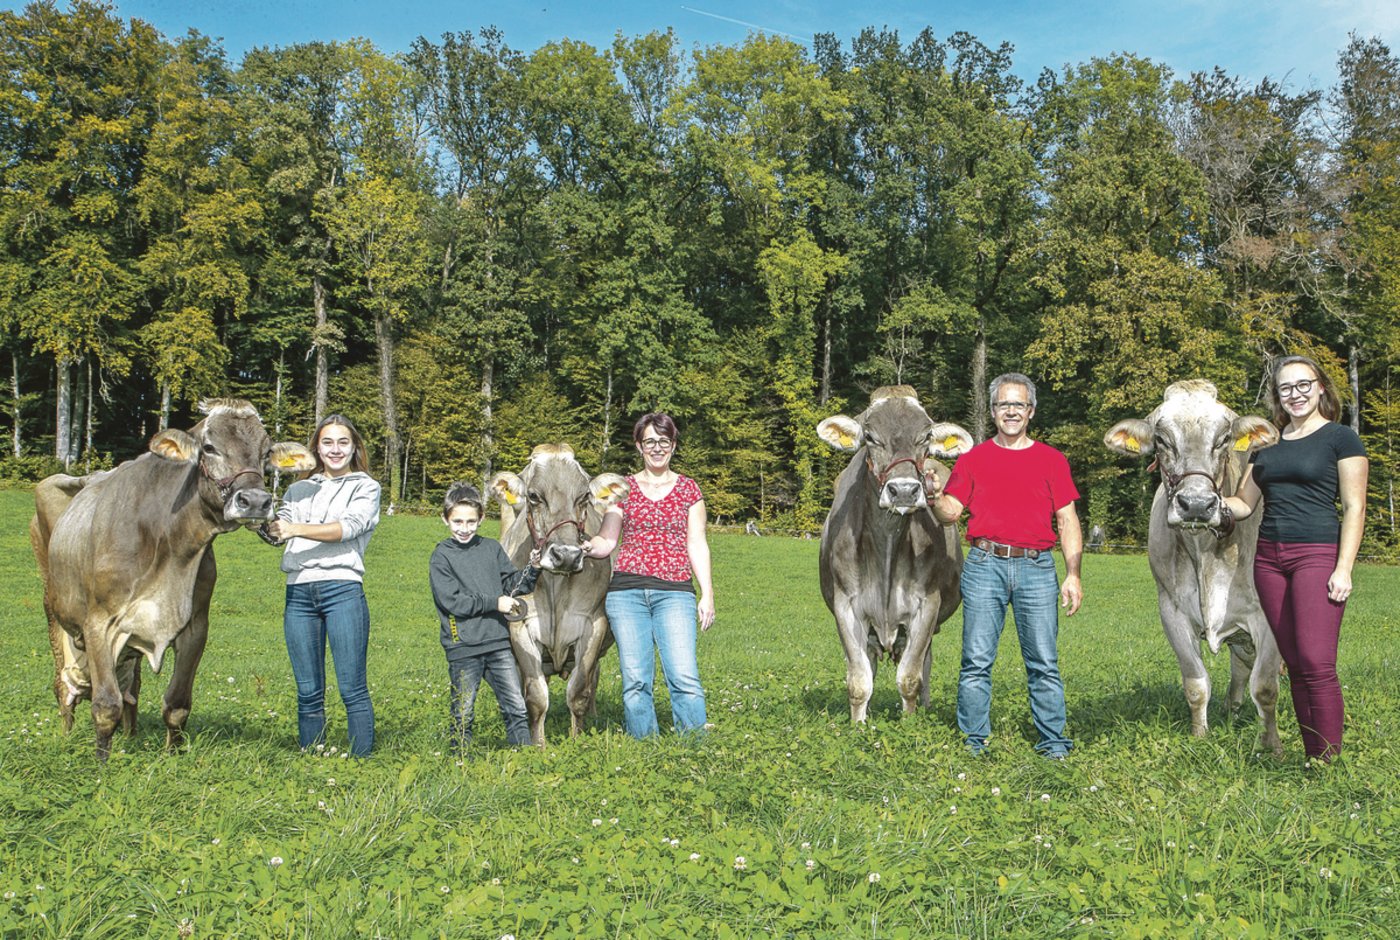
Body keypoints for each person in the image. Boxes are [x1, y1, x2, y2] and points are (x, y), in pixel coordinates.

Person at [927, 373, 1083, 759]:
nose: (1011, 411)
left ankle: (1053, 743)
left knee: (1043, 662)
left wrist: (1073, 574)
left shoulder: (1052, 460)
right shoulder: (973, 459)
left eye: (1018, 404)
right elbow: (951, 513)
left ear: (1031, 411)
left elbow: (1067, 519)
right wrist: (933, 497)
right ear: (993, 411)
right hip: (984, 566)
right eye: (1003, 404)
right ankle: (974, 741)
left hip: (1036, 568)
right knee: (976, 661)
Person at [1223, 355, 1368, 763]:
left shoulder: (1341, 438)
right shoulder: (1266, 444)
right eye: (1286, 388)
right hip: (1269, 560)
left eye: (1303, 384)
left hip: (1316, 555)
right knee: (1295, 663)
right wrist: (1202, 500)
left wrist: (1343, 568)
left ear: (1320, 387)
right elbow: (1243, 504)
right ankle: (1312, 756)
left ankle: (1328, 762)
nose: (1295, 394)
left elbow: (1355, 507)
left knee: (1317, 662)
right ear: (1277, 396)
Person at [582, 412, 715, 738]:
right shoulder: (622, 489)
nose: (657, 448)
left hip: (675, 593)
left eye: (664, 441)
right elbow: (607, 541)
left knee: (683, 675)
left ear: (673, 445)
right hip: (626, 595)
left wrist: (707, 594)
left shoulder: (688, 489)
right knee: (635, 679)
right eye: (650, 441)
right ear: (639, 446)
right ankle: (644, 746)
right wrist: (584, 546)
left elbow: (697, 543)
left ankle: (694, 744)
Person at [266, 414, 381, 757]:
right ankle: (311, 755)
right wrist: (261, 520)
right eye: (327, 442)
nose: (335, 449)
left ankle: (361, 760)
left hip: (342, 590)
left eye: (343, 442)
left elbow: (348, 528)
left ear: (354, 447)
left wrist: (294, 530)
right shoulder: (298, 489)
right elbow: (278, 530)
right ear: (316, 448)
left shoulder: (366, 487)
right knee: (307, 690)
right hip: (299, 592)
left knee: (352, 687)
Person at [429, 483, 541, 750]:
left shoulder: (491, 548)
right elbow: (452, 601)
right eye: (457, 521)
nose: (464, 528)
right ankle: (460, 758)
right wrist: (495, 603)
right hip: (463, 647)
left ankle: (523, 756)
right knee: (463, 711)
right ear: (445, 519)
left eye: (471, 521)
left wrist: (534, 567)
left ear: (481, 519)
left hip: (498, 644)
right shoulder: (441, 556)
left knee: (516, 706)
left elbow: (513, 585)